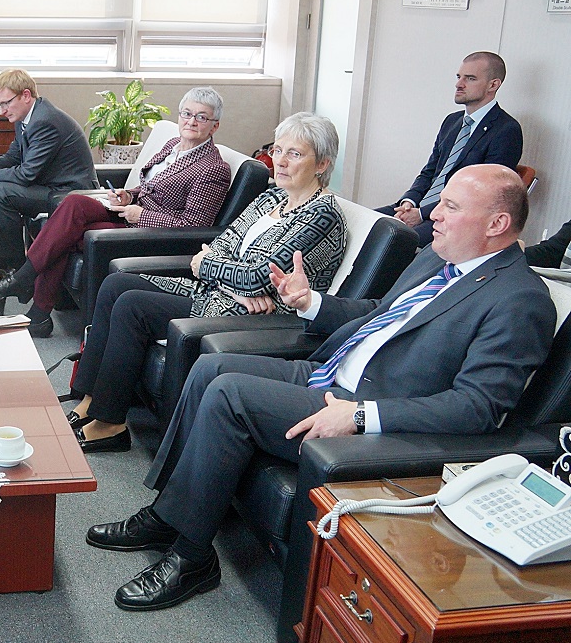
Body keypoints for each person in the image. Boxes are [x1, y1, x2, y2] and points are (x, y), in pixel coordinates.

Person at [89, 164, 554, 613]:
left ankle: (192, 556)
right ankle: (168, 513)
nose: (433, 214)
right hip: (329, 371)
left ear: (497, 223)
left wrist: (360, 415)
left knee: (231, 393)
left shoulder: (519, 299)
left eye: (450, 206)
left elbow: (477, 409)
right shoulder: (438, 255)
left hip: (368, 406)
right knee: (210, 366)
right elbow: (378, 311)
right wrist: (310, 302)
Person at [67, 112, 348, 452]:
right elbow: (218, 248)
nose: (281, 162)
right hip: (217, 295)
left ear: (322, 164)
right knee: (116, 285)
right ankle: (90, 397)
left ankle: (110, 423)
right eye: (277, 150)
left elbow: (258, 276)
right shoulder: (269, 199)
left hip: (250, 317)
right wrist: (229, 278)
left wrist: (220, 272)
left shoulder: (321, 214)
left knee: (132, 304)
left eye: (295, 153)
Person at [0, 87, 232, 338]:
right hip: (130, 211)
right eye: (187, 113)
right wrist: (129, 194)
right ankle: (29, 289)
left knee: (72, 234)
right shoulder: (172, 145)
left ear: (214, 126)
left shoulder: (212, 168)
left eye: (201, 117)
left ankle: (34, 304)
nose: (191, 121)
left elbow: (195, 225)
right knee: (73, 204)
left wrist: (140, 215)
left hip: (151, 231)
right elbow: (150, 186)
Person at [0, 69, 96, 269]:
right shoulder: (25, 117)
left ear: (26, 95)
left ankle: (13, 267)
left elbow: (26, 174)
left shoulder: (45, 121)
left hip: (70, 193)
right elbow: (14, 156)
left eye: (6, 103)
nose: (2, 111)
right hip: (50, 185)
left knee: (0, 191)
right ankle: (1, 255)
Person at [381, 52, 523, 246]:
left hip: (453, 218)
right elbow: (430, 171)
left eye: (470, 78)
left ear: (493, 85)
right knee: (361, 221)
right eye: (459, 77)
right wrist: (409, 202)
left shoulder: (506, 130)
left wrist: (422, 214)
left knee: (391, 242)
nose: (459, 84)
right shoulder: (452, 121)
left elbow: (480, 194)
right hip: (420, 208)